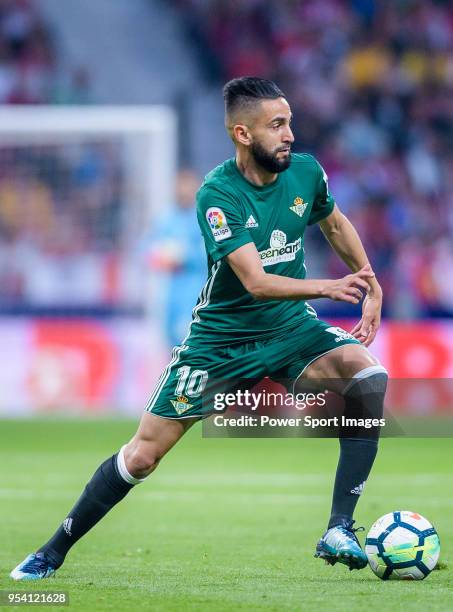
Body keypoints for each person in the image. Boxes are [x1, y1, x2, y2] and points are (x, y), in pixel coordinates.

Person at [11, 77, 387, 580]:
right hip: (220, 344)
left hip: (291, 328)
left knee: (365, 379)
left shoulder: (306, 174)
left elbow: (335, 224)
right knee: (143, 456)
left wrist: (369, 279)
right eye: (277, 125)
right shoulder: (217, 193)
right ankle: (51, 551)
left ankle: (339, 527)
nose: (290, 134)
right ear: (242, 134)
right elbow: (253, 281)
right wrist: (329, 286)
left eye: (290, 122)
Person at [143, 169, 205, 349]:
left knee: (191, 345)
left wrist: (183, 255)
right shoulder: (166, 219)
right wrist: (157, 256)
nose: (183, 190)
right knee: (171, 345)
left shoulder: (204, 217)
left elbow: (211, 253)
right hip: (168, 293)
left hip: (195, 293)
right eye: (180, 186)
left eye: (187, 186)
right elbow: (146, 249)